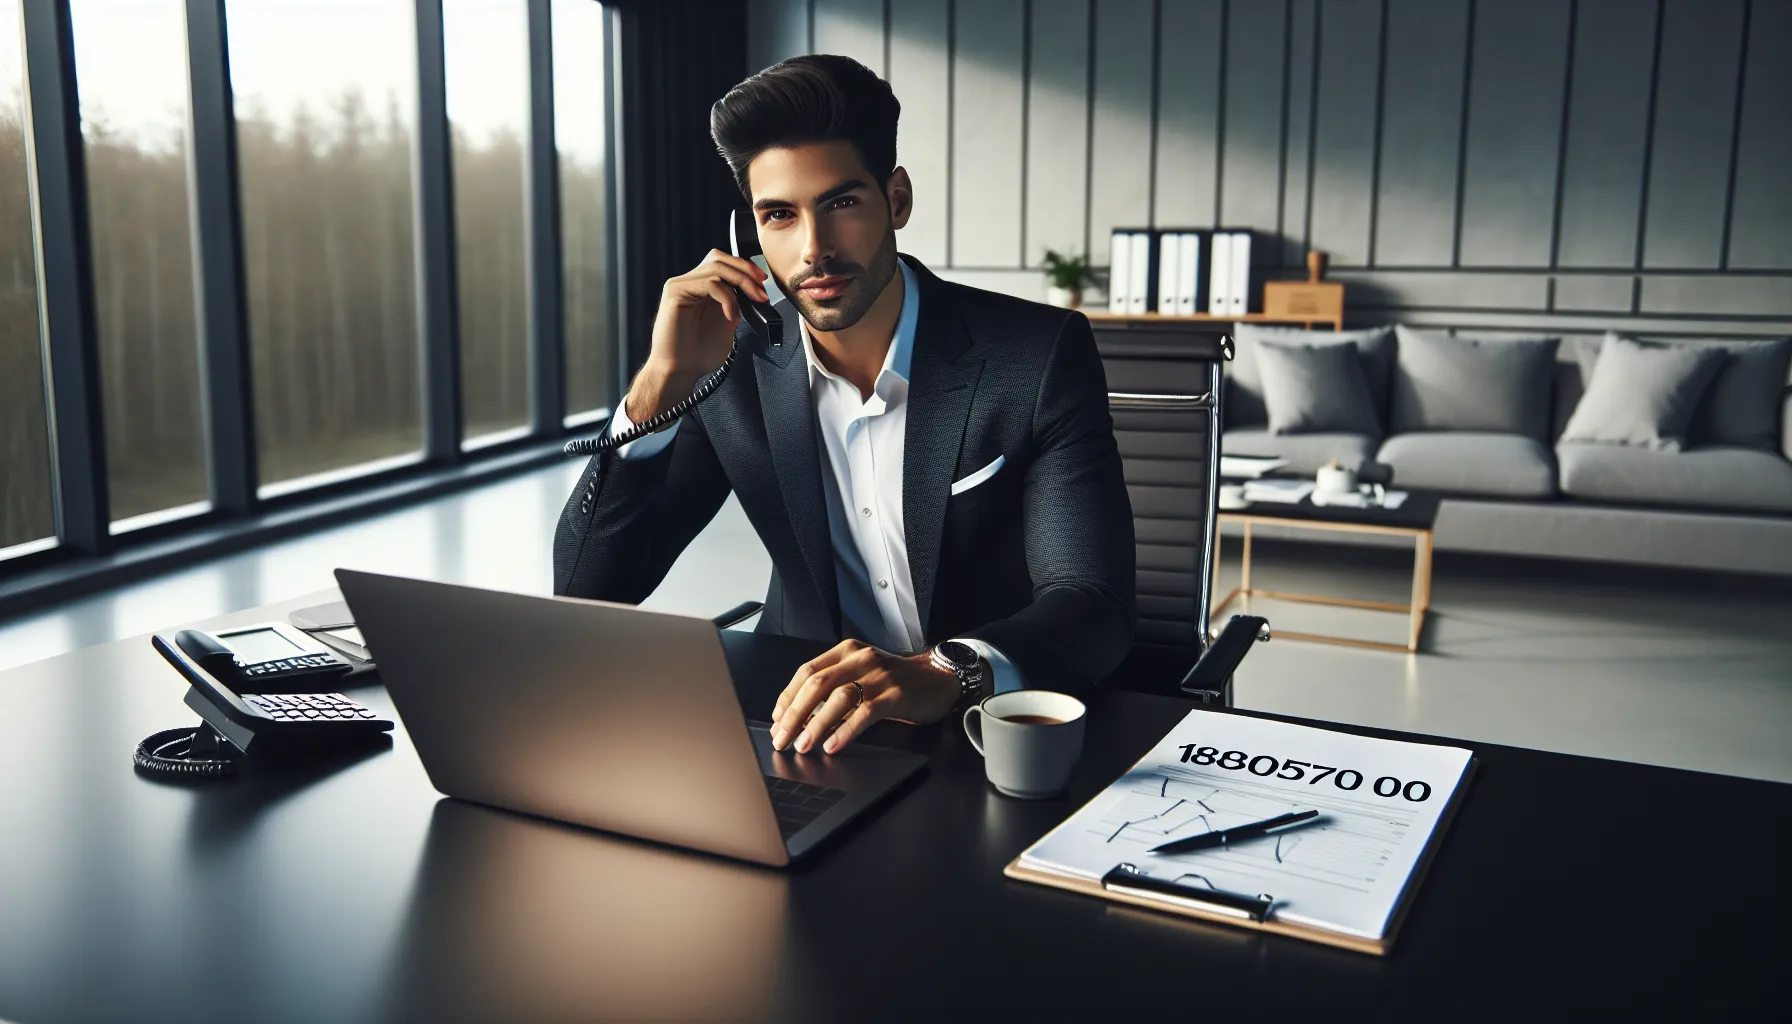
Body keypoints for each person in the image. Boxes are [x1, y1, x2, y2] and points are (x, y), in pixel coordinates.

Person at [553, 54, 1133, 754]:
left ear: (896, 200)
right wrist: (658, 385)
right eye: (779, 216)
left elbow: (1091, 603)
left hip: (988, 730)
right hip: (804, 730)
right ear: (750, 234)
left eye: (842, 204)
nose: (814, 250)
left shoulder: (1035, 355)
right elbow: (590, 591)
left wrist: (946, 672)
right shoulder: (731, 367)